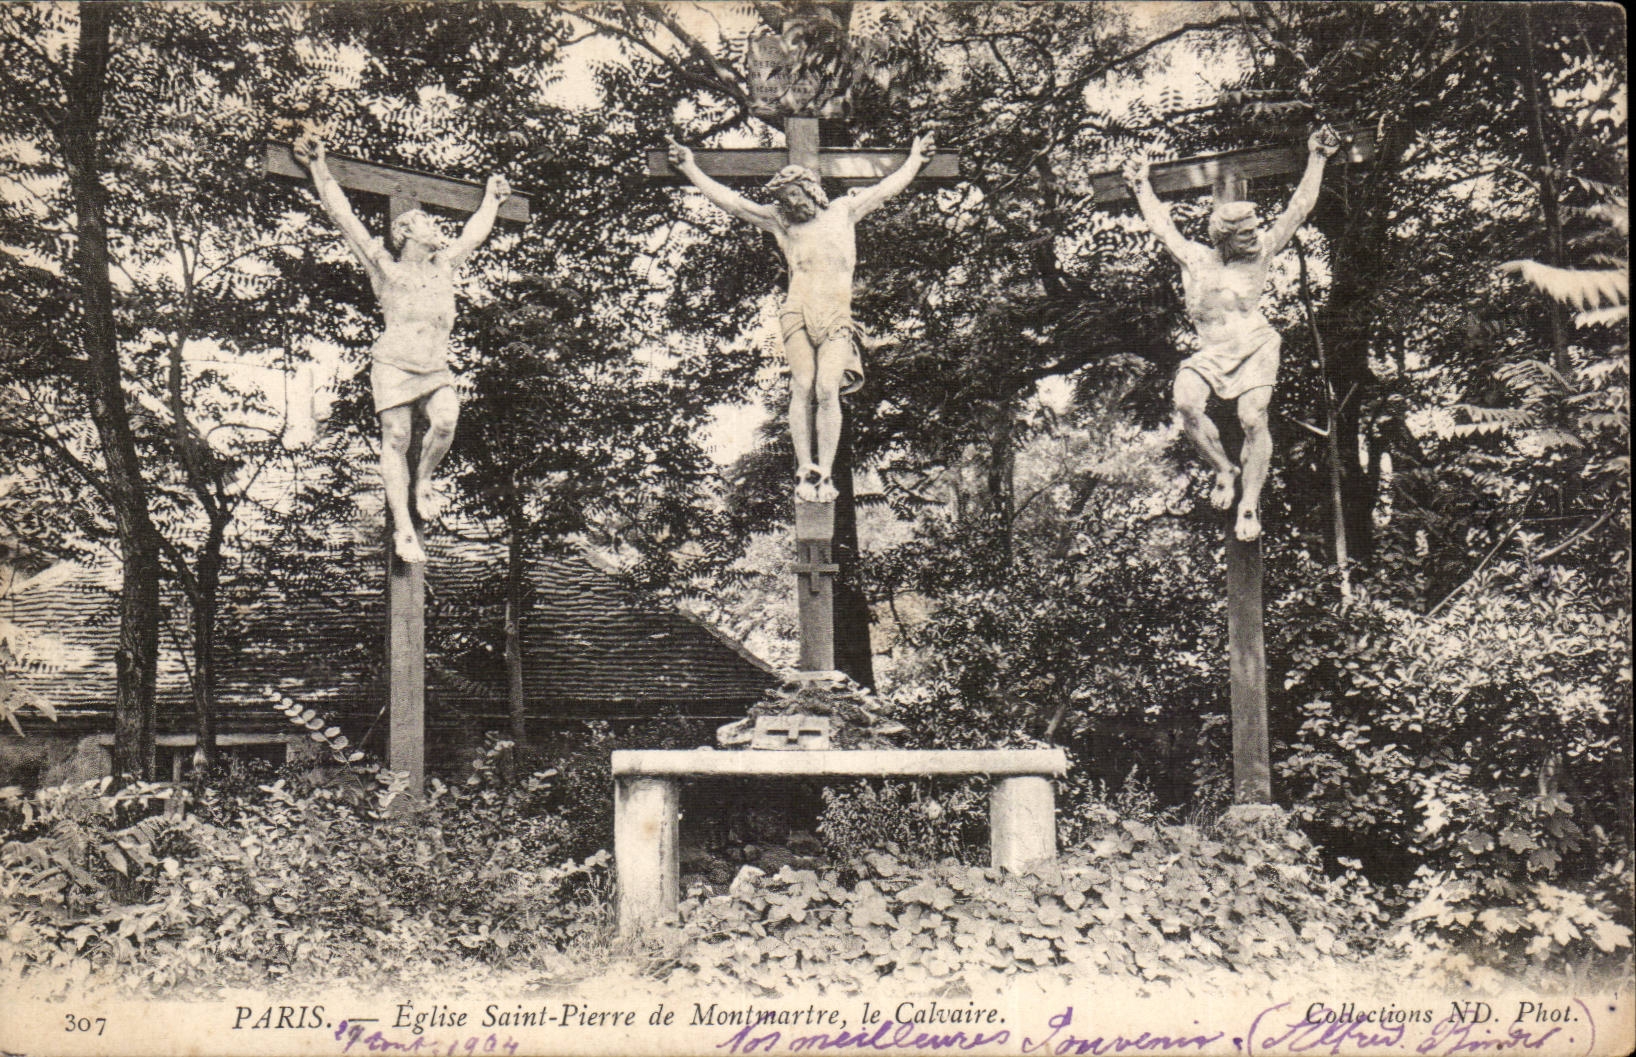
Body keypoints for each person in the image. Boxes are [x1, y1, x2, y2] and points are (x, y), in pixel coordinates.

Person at [667, 131, 936, 502]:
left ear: (809, 188)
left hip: (837, 316)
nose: (790, 204)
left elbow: (886, 189)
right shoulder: (784, 223)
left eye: (793, 195)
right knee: (802, 386)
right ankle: (804, 466)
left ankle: (825, 472)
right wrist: (691, 169)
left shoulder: (844, 211)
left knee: (828, 389)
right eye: (783, 200)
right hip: (797, 311)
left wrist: (916, 160)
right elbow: (734, 204)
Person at [293, 133, 510, 563]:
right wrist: (318, 167)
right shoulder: (385, 267)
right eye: (428, 223)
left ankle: (423, 480)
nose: (437, 229)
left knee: (446, 420)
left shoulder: (444, 265)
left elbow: (474, 235)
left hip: (433, 368)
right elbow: (344, 217)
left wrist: (491, 201)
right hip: (393, 364)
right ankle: (403, 529)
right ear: (407, 230)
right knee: (396, 436)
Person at [1124, 126, 1343, 541]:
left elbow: (1298, 208)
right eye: (1245, 233)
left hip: (1255, 345)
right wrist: (1139, 184)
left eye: (1255, 230)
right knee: (1185, 403)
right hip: (1212, 351)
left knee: (1252, 418)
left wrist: (1317, 157)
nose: (1254, 237)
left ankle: (1249, 505)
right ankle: (1224, 468)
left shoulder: (1261, 254)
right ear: (1224, 236)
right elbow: (1161, 225)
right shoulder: (1196, 260)